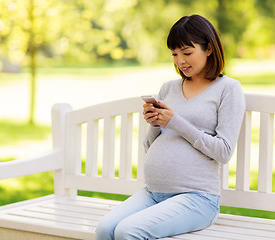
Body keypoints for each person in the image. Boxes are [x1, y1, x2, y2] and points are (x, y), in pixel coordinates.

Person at [96, 14, 246, 240]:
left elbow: (223, 152)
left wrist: (175, 122)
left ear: (209, 49)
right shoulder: (168, 88)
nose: (180, 61)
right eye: (174, 54)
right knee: (105, 229)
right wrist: (155, 123)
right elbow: (150, 145)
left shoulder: (228, 89)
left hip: (198, 198)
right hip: (153, 193)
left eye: (187, 53)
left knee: (128, 232)